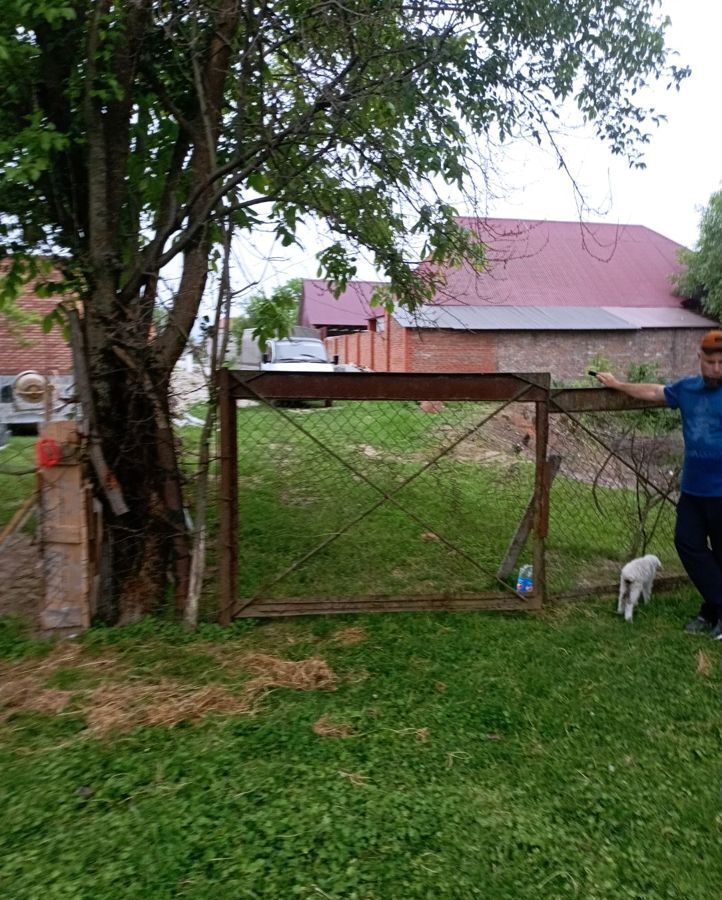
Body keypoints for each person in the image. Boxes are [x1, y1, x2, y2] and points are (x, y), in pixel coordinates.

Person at [594, 329, 722, 640]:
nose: (717, 369)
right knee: (687, 543)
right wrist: (618, 384)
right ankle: (718, 606)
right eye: (711, 361)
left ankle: (711, 611)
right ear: (700, 359)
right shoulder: (687, 390)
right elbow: (653, 392)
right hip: (693, 488)